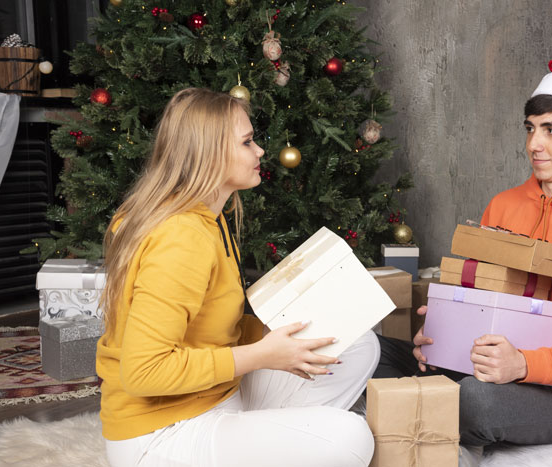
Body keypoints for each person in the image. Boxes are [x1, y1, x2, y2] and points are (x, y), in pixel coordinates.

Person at [373, 10, 552, 450]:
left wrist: (520, 365)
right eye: (531, 128)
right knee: (372, 350)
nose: (534, 144)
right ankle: (418, 414)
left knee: (474, 400)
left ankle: (406, 420)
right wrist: (436, 336)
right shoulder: (504, 203)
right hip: (475, 362)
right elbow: (478, 297)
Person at [96, 88, 379, 467]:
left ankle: (268, 445)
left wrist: (277, 333)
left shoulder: (209, 217)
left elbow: (212, 329)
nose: (260, 151)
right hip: (161, 434)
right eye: (247, 142)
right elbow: (143, 372)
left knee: (356, 344)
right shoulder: (181, 237)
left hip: (215, 398)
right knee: (351, 437)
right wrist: (262, 354)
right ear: (210, 154)